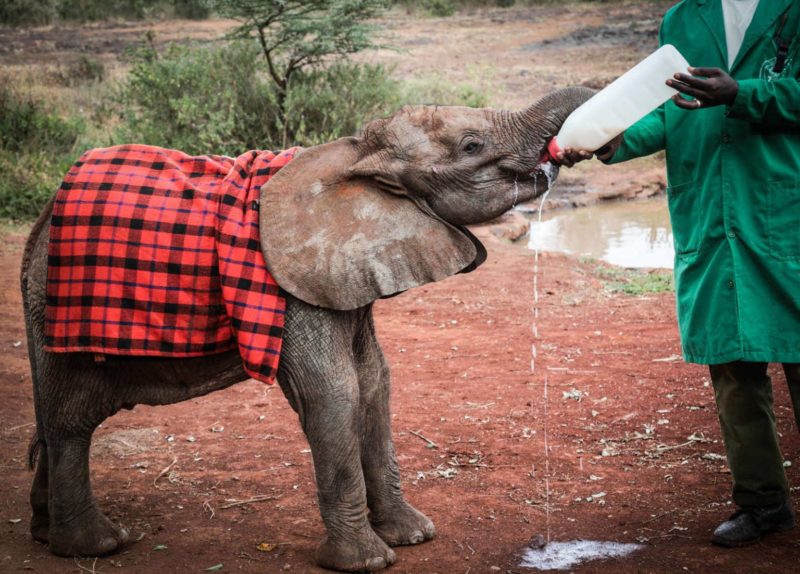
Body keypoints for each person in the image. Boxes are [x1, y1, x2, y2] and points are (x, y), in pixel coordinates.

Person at [557, 0, 800, 547]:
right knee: (732, 363)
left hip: (786, 212)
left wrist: (744, 94)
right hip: (709, 214)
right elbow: (670, 106)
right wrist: (616, 138)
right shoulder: (683, 18)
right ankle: (762, 503)